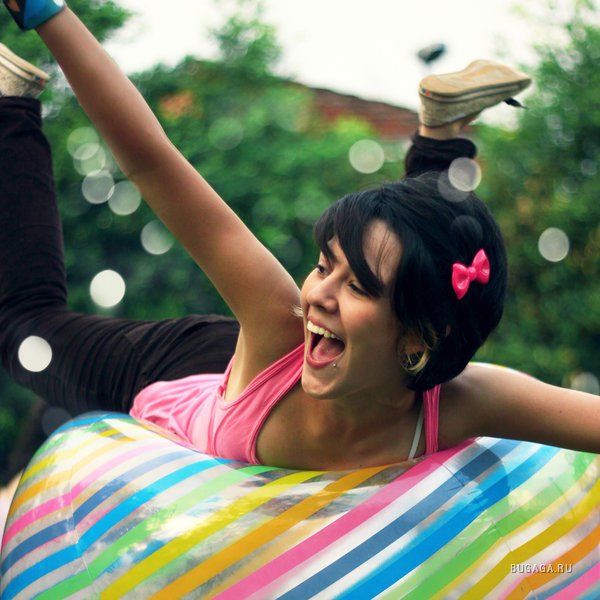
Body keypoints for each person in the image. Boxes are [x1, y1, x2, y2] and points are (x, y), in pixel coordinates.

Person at [0, 2, 598, 472]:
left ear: (421, 339)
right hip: (197, 371)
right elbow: (153, 163)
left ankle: (439, 139)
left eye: (355, 285)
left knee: (413, 259)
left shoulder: (468, 400)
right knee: (23, 328)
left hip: (343, 358)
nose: (315, 293)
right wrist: (48, 12)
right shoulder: (279, 315)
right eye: (322, 265)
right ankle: (10, 103)